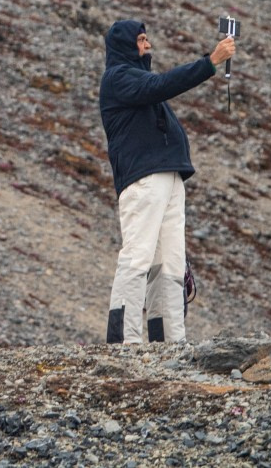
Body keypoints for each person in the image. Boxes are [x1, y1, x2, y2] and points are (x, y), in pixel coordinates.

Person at [99, 19, 235, 344]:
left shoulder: (136, 80)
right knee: (139, 256)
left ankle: (170, 343)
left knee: (170, 262)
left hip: (168, 177)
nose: (148, 46)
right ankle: (123, 340)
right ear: (126, 45)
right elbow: (161, 85)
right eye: (142, 40)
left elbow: (156, 86)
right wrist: (210, 63)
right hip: (145, 179)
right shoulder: (119, 79)